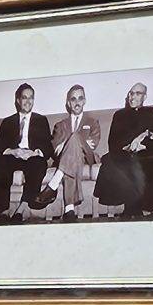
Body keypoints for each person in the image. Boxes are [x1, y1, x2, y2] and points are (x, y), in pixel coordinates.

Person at [0, 83, 54, 220]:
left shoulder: (41, 120)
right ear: (18, 100)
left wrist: (35, 152)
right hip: (13, 157)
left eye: (31, 97)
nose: (28, 101)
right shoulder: (7, 122)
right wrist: (13, 151)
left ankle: (21, 209)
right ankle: (4, 211)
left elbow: (48, 149)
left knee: (39, 164)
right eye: (24, 97)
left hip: (32, 157)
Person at [105, 81, 153, 217]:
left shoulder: (151, 112)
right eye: (131, 93)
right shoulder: (119, 115)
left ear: (144, 97)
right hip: (124, 152)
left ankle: (147, 207)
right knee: (129, 163)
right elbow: (113, 140)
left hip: (145, 152)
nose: (132, 97)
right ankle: (135, 209)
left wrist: (146, 134)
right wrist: (130, 146)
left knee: (152, 162)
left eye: (137, 93)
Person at [50, 83, 101, 220]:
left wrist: (69, 141)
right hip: (69, 160)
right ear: (68, 103)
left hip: (87, 158)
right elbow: (56, 150)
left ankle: (54, 182)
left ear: (84, 101)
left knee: (74, 138)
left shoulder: (93, 123)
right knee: (70, 159)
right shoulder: (60, 125)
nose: (77, 102)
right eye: (73, 99)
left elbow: (91, 145)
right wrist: (74, 143)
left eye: (80, 98)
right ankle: (69, 210)